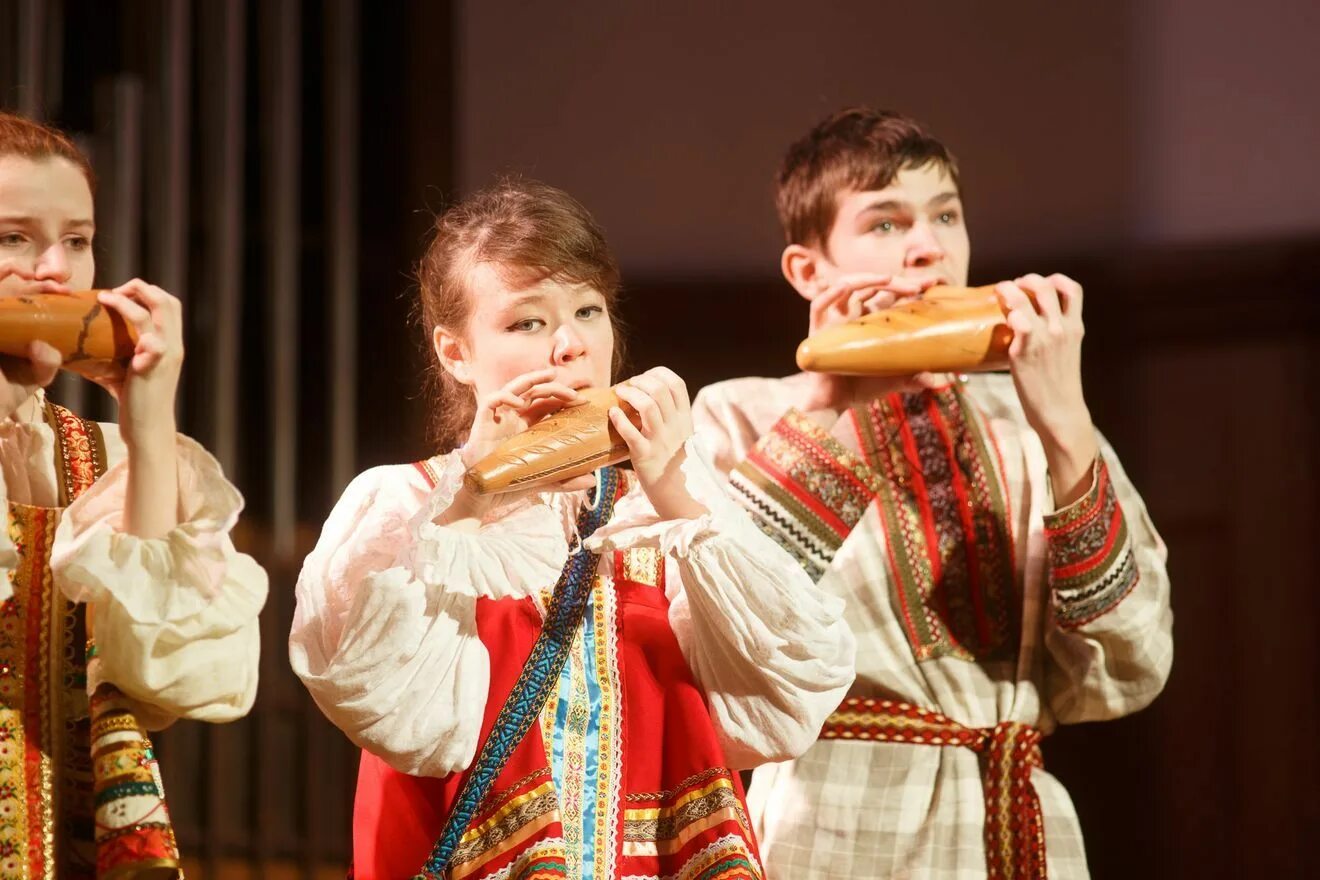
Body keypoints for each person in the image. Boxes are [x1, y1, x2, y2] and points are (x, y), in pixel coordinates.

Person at [289, 178, 856, 880]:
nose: (570, 345)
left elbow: (786, 699)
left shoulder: (667, 514)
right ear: (456, 353)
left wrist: (675, 486)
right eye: (527, 322)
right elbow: (382, 710)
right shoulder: (403, 507)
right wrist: (472, 495)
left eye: (588, 311)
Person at [691, 107, 1173, 879]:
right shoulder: (741, 414)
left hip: (1018, 821)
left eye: (946, 216)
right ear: (809, 272)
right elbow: (723, 645)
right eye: (885, 224)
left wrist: (1067, 427)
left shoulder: (1028, 418)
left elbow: (1133, 663)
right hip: (832, 830)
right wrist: (833, 407)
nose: (928, 248)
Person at [0, 110, 267, 877]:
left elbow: (156, 679)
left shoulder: (110, 459)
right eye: (13, 238)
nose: (53, 270)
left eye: (76, 241)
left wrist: (149, 424)